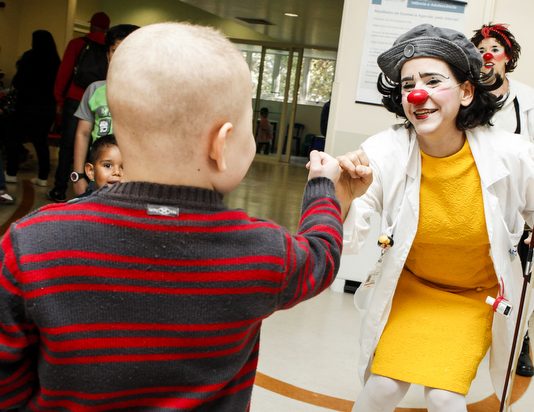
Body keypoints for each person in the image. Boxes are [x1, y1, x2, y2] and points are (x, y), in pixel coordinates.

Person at [0, 22, 372, 410]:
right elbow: (322, 255)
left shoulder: (30, 244)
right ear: (221, 143)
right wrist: (326, 187)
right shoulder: (263, 251)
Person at [337, 24, 534, 411]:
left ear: (465, 91)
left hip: (476, 296)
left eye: (432, 80)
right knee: (382, 388)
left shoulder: (511, 152)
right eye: (408, 82)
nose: (417, 93)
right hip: (413, 290)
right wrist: (339, 197)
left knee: (445, 398)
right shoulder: (384, 150)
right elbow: (347, 232)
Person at [471, 23, 534, 377]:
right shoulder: (466, 94)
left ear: (507, 57)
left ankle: (520, 340)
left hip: (517, 205)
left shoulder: (527, 99)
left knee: (518, 281)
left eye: (494, 47)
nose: (487, 53)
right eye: (480, 48)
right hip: (474, 198)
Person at [48, 11, 110, 202]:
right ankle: (92, 191)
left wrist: (58, 99)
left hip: (75, 98)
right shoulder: (111, 48)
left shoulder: (78, 44)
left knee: (68, 146)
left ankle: (60, 189)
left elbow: (64, 72)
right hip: (101, 99)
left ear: (91, 25)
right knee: (97, 146)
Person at [72, 24, 139, 196]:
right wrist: (78, 176)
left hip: (132, 179)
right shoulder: (94, 90)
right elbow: (83, 134)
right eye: (115, 51)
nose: (120, 58)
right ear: (108, 55)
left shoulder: (146, 95)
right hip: (99, 178)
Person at [3, 30, 60, 187]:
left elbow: (18, 82)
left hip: (25, 106)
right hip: (46, 108)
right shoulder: (55, 61)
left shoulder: (29, 57)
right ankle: (42, 177)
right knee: (41, 142)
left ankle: (11, 173)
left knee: (13, 139)